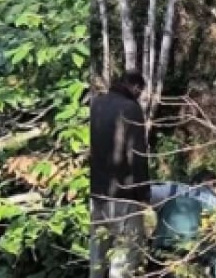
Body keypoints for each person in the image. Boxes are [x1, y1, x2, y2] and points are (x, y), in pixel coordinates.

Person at [89, 70, 150, 278]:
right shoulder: (131, 109)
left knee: (97, 260)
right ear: (135, 87)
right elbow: (137, 155)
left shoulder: (95, 105)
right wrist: (143, 195)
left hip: (95, 196)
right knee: (124, 260)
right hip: (123, 197)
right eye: (140, 92)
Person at [149, 170, 216, 277]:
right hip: (196, 258)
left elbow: (143, 195)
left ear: (193, 183)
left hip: (163, 253)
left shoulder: (174, 188)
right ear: (215, 188)